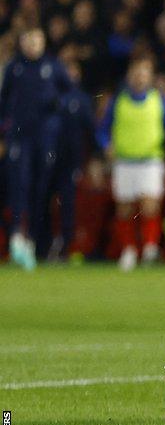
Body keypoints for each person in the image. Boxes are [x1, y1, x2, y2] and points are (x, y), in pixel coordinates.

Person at [97, 57, 165, 271]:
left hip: (150, 160)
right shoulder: (118, 101)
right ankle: (129, 250)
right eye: (137, 73)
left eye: (144, 73)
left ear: (150, 77)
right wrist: (106, 145)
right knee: (124, 208)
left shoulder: (159, 100)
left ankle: (149, 249)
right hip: (125, 161)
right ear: (130, 76)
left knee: (150, 205)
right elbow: (103, 130)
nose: (140, 77)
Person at [0, 28, 68, 271]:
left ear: (43, 42)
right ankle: (17, 236)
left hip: (45, 139)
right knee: (20, 184)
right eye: (28, 40)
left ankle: (32, 241)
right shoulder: (14, 67)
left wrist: (57, 107)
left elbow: (69, 94)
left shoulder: (53, 66)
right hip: (20, 138)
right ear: (22, 42)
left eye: (37, 40)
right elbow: (3, 101)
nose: (33, 45)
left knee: (41, 188)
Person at [47, 59, 94, 260]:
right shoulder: (49, 96)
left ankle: (66, 245)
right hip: (47, 157)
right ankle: (44, 243)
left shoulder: (81, 99)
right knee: (43, 200)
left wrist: (93, 157)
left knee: (67, 203)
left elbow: (90, 131)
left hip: (70, 160)